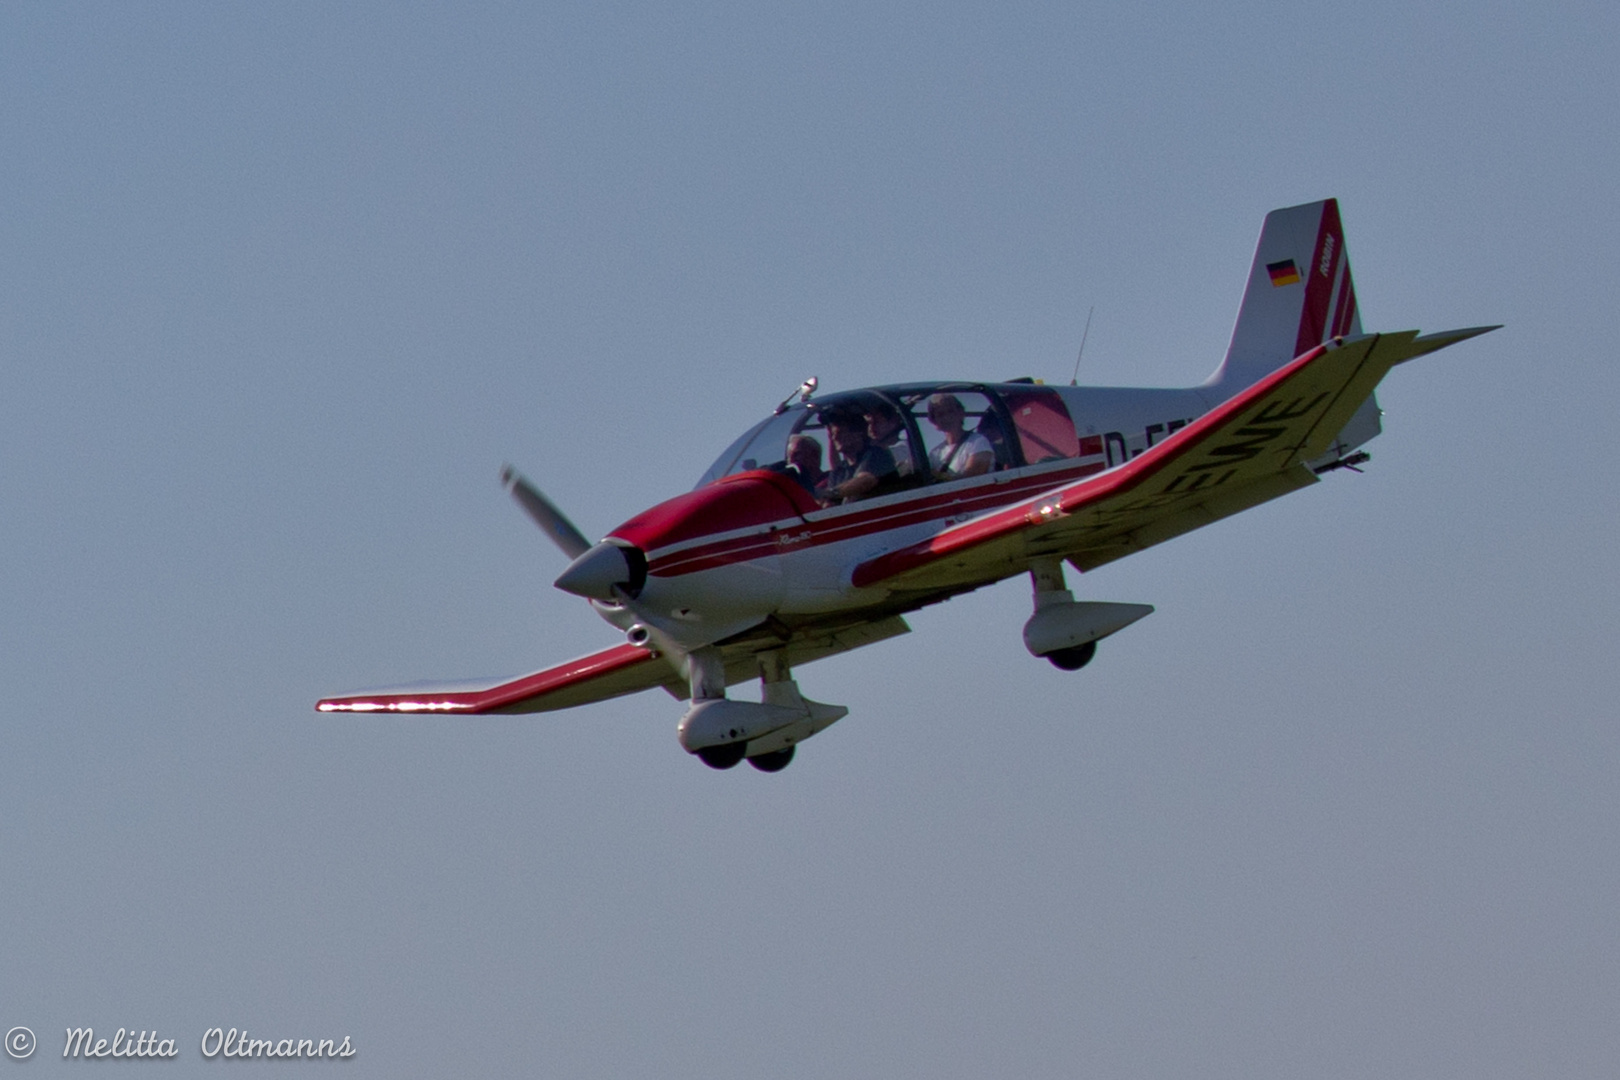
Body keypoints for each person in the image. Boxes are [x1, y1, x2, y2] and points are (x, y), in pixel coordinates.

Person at [822, 410, 897, 503]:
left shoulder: (876, 454)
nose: (835, 438)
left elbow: (866, 481)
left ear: (858, 433)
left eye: (840, 432)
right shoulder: (838, 470)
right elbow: (829, 503)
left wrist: (831, 494)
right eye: (833, 434)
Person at [925, 394, 994, 479]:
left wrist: (941, 477)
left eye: (950, 411)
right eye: (940, 414)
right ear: (934, 421)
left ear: (961, 413)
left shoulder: (978, 442)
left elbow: (972, 480)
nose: (947, 417)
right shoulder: (934, 453)